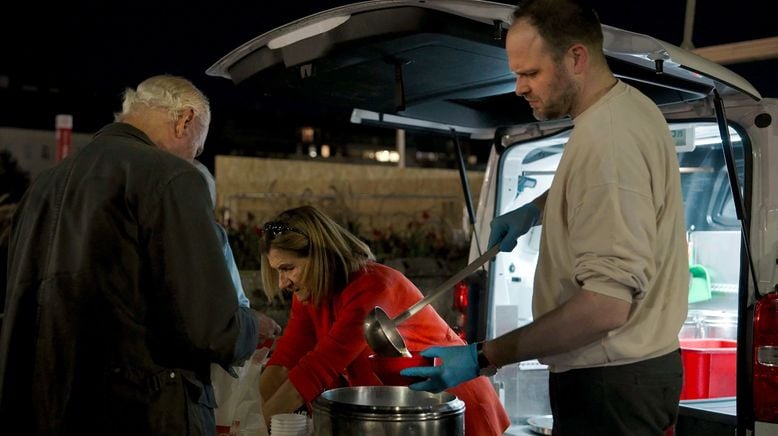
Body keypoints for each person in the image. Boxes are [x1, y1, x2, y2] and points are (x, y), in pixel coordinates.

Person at [401, 1, 688, 434]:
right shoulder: (627, 111)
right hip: (630, 375)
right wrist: (535, 210)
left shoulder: (607, 141)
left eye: (530, 73)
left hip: (611, 383)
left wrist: (483, 356)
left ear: (576, 58)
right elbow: (600, 189)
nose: (519, 88)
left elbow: (605, 307)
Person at [0, 75, 260, 435]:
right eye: (197, 148)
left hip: (48, 411)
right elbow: (211, 329)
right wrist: (252, 326)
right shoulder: (171, 177)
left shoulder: (41, 188)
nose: (194, 157)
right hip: (147, 412)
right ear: (184, 120)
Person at [257, 205, 510, 435]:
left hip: (454, 410)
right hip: (405, 417)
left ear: (319, 257)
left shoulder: (373, 288)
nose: (282, 283)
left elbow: (316, 370)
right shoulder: (310, 295)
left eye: (288, 269)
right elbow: (284, 362)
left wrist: (254, 428)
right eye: (277, 270)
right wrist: (252, 419)